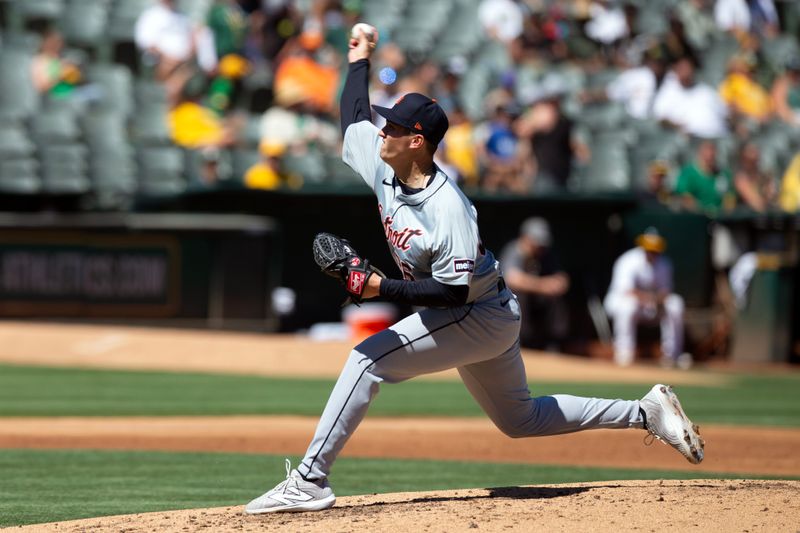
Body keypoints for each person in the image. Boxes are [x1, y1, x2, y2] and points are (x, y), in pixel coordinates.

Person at [243, 23, 705, 515]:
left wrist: (379, 285)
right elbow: (353, 113)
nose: (383, 131)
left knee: (365, 362)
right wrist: (359, 60)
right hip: (486, 310)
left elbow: (452, 294)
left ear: (417, 141)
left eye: (395, 127)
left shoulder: (450, 208)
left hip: (475, 310)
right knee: (520, 419)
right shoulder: (383, 162)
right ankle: (644, 411)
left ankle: (311, 479)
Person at [604, 228, 690, 369]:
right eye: (649, 249)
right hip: (620, 302)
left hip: (651, 305)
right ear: (642, 247)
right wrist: (650, 299)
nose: (652, 253)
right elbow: (627, 291)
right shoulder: (628, 260)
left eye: (654, 250)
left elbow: (666, 291)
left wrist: (654, 300)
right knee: (628, 306)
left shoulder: (664, 263)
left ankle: (672, 354)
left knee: (676, 304)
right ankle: (624, 353)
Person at [499, 217, 569, 351]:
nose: (539, 246)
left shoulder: (545, 253)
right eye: (536, 242)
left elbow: (561, 277)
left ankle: (554, 343)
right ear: (525, 237)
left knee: (555, 296)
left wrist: (557, 284)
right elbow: (512, 279)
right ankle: (520, 343)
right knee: (518, 295)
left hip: (539, 302)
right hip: (508, 306)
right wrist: (543, 286)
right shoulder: (514, 250)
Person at [674, 140, 736, 214]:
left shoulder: (724, 174)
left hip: (721, 219)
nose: (710, 154)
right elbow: (685, 197)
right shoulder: (688, 173)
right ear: (700, 152)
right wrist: (704, 211)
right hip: (695, 218)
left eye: (712, 150)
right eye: (706, 150)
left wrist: (725, 211)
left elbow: (730, 197)